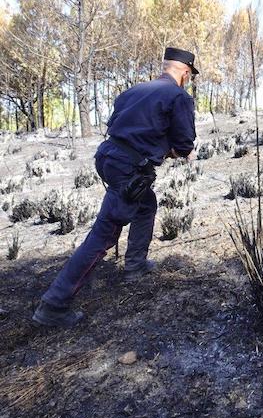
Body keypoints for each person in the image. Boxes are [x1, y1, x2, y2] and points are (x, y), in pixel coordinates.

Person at [32, 47, 199, 328]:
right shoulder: (178, 96)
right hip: (128, 167)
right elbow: (184, 145)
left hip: (108, 156)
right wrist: (177, 151)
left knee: (146, 204)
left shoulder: (134, 91)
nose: (189, 80)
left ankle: (135, 264)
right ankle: (54, 304)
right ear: (184, 72)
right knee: (105, 234)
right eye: (190, 76)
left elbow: (121, 126)